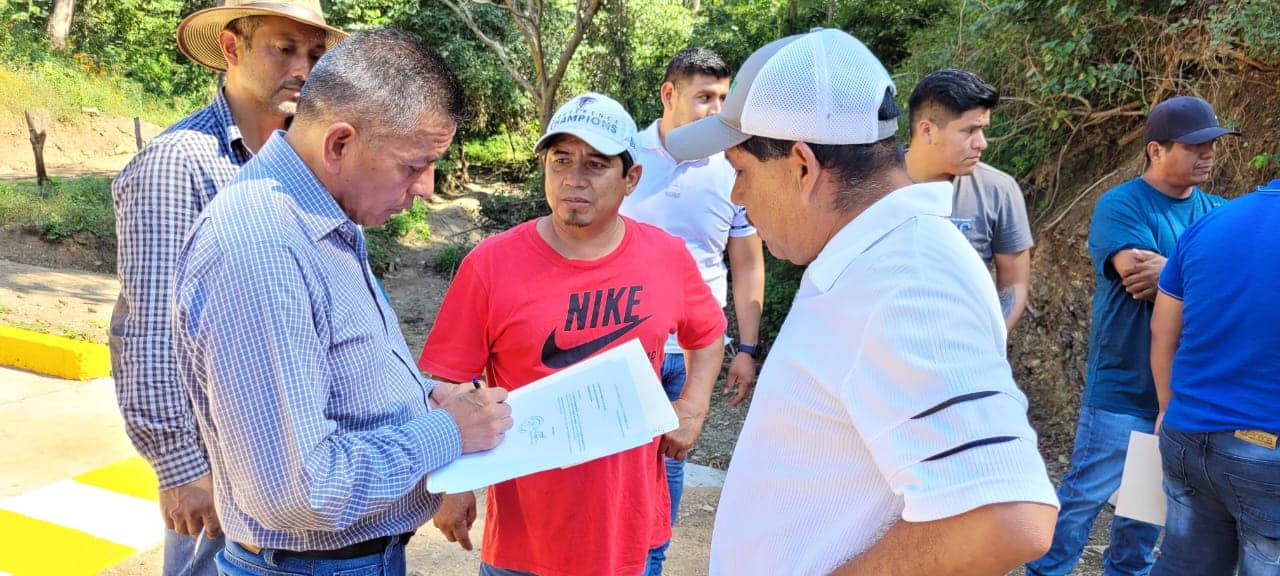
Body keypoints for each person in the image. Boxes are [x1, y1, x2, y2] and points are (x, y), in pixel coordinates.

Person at [665, 28, 1058, 575]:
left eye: (741, 171)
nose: (736, 195)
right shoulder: (876, 258)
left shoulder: (905, 278)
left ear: (802, 166)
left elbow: (1005, 514)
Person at [169, 28, 513, 576]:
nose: (426, 188)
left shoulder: (325, 221)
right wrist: (449, 431)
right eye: (413, 165)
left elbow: (342, 379)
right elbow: (297, 490)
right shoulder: (261, 245)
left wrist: (427, 397)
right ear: (339, 144)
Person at [420, 92, 727, 576]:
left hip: (630, 531)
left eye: (595, 164)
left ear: (631, 179)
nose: (573, 179)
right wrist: (452, 481)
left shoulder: (665, 257)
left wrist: (693, 406)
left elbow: (708, 333)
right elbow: (446, 381)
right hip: (525, 541)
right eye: (560, 160)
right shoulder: (491, 265)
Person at [108, 1, 345, 573]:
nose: (303, 69)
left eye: (314, 54)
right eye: (284, 49)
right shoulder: (179, 164)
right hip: (219, 473)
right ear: (233, 49)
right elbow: (146, 332)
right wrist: (180, 468)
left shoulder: (305, 164)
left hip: (296, 467)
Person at [1026, 95, 1239, 576]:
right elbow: (1137, 277)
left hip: (1182, 393)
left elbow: (1226, 288)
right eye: (1195, 146)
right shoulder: (1120, 204)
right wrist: (1198, 279)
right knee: (1082, 498)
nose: (1208, 154)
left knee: (1144, 513)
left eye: (1212, 145)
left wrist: (1176, 275)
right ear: (1156, 150)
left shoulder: (1218, 213)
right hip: (1122, 385)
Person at [617, 46, 765, 572]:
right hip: (619, 343)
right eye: (705, 97)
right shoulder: (621, 152)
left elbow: (747, 263)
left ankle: (652, 560)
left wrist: (746, 348)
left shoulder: (734, 165)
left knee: (670, 460)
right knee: (611, 458)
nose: (716, 110)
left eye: (724, 98)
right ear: (669, 95)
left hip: (693, 348)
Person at [1148, 178, 1280, 576]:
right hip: (1266, 451)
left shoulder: (1211, 222)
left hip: (1186, 433)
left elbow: (1162, 329)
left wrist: (1166, 407)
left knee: (1185, 565)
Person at [905, 68, 1033, 331]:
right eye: (969, 131)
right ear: (927, 131)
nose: (981, 143)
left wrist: (987, 342)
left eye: (983, 130)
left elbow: (1014, 285)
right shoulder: (874, 188)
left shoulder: (998, 191)